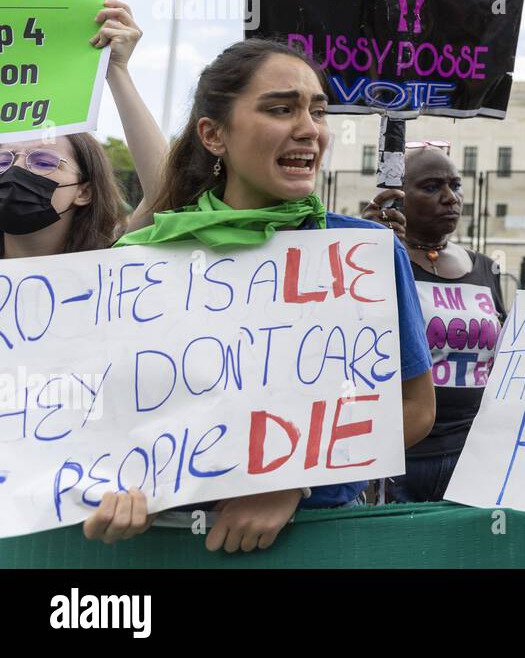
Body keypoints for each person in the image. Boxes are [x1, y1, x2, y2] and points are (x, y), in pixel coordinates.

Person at [82, 39, 436, 551]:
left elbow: (414, 409)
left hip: (314, 539)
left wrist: (292, 480)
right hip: (163, 545)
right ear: (213, 134)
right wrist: (108, 487)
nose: (309, 129)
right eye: (280, 108)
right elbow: (91, 416)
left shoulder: (364, 254)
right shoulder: (136, 262)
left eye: (318, 110)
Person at [363, 144, 506, 502]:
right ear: (396, 198)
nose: (450, 198)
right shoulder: (378, 260)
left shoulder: (486, 268)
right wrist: (363, 250)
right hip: (402, 458)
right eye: (431, 187)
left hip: (471, 454)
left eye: (455, 185)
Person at [0, 0, 166, 258]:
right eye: (2, 160)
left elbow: (164, 192)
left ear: (84, 191)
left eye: (43, 161)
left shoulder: (108, 266)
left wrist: (115, 69)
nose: (17, 168)